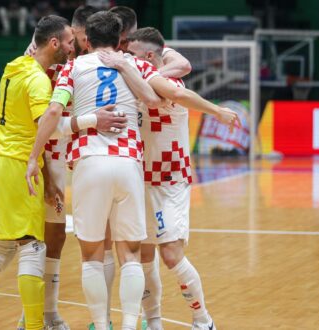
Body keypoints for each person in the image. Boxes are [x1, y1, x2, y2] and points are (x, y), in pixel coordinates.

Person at [26, 11, 164, 330]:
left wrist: (35, 156)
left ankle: (101, 326)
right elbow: (155, 98)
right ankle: (130, 325)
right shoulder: (136, 65)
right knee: (129, 252)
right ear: (120, 40)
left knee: (91, 255)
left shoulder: (73, 68)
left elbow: (53, 111)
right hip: (128, 162)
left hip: (89, 162)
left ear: (86, 39)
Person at [98, 27, 241, 330]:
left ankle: (203, 319)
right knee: (145, 255)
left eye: (133, 54)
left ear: (148, 57)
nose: (127, 58)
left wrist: (217, 111)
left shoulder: (162, 80)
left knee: (171, 255)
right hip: (141, 178)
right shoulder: (136, 79)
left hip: (170, 178)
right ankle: (155, 322)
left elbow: (178, 90)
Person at [0, 15, 75, 330]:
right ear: (53, 43)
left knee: (1, 248)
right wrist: (49, 181)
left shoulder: (13, 66)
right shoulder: (37, 80)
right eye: (68, 42)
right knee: (34, 247)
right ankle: (35, 326)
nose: (71, 48)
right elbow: (43, 133)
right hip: (18, 167)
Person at [17, 5, 103, 330]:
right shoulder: (41, 61)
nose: (79, 46)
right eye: (79, 40)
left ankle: (45, 312)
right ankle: (35, 314)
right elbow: (46, 118)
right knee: (33, 238)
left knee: (56, 237)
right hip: (41, 150)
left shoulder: (74, 58)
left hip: (61, 150)